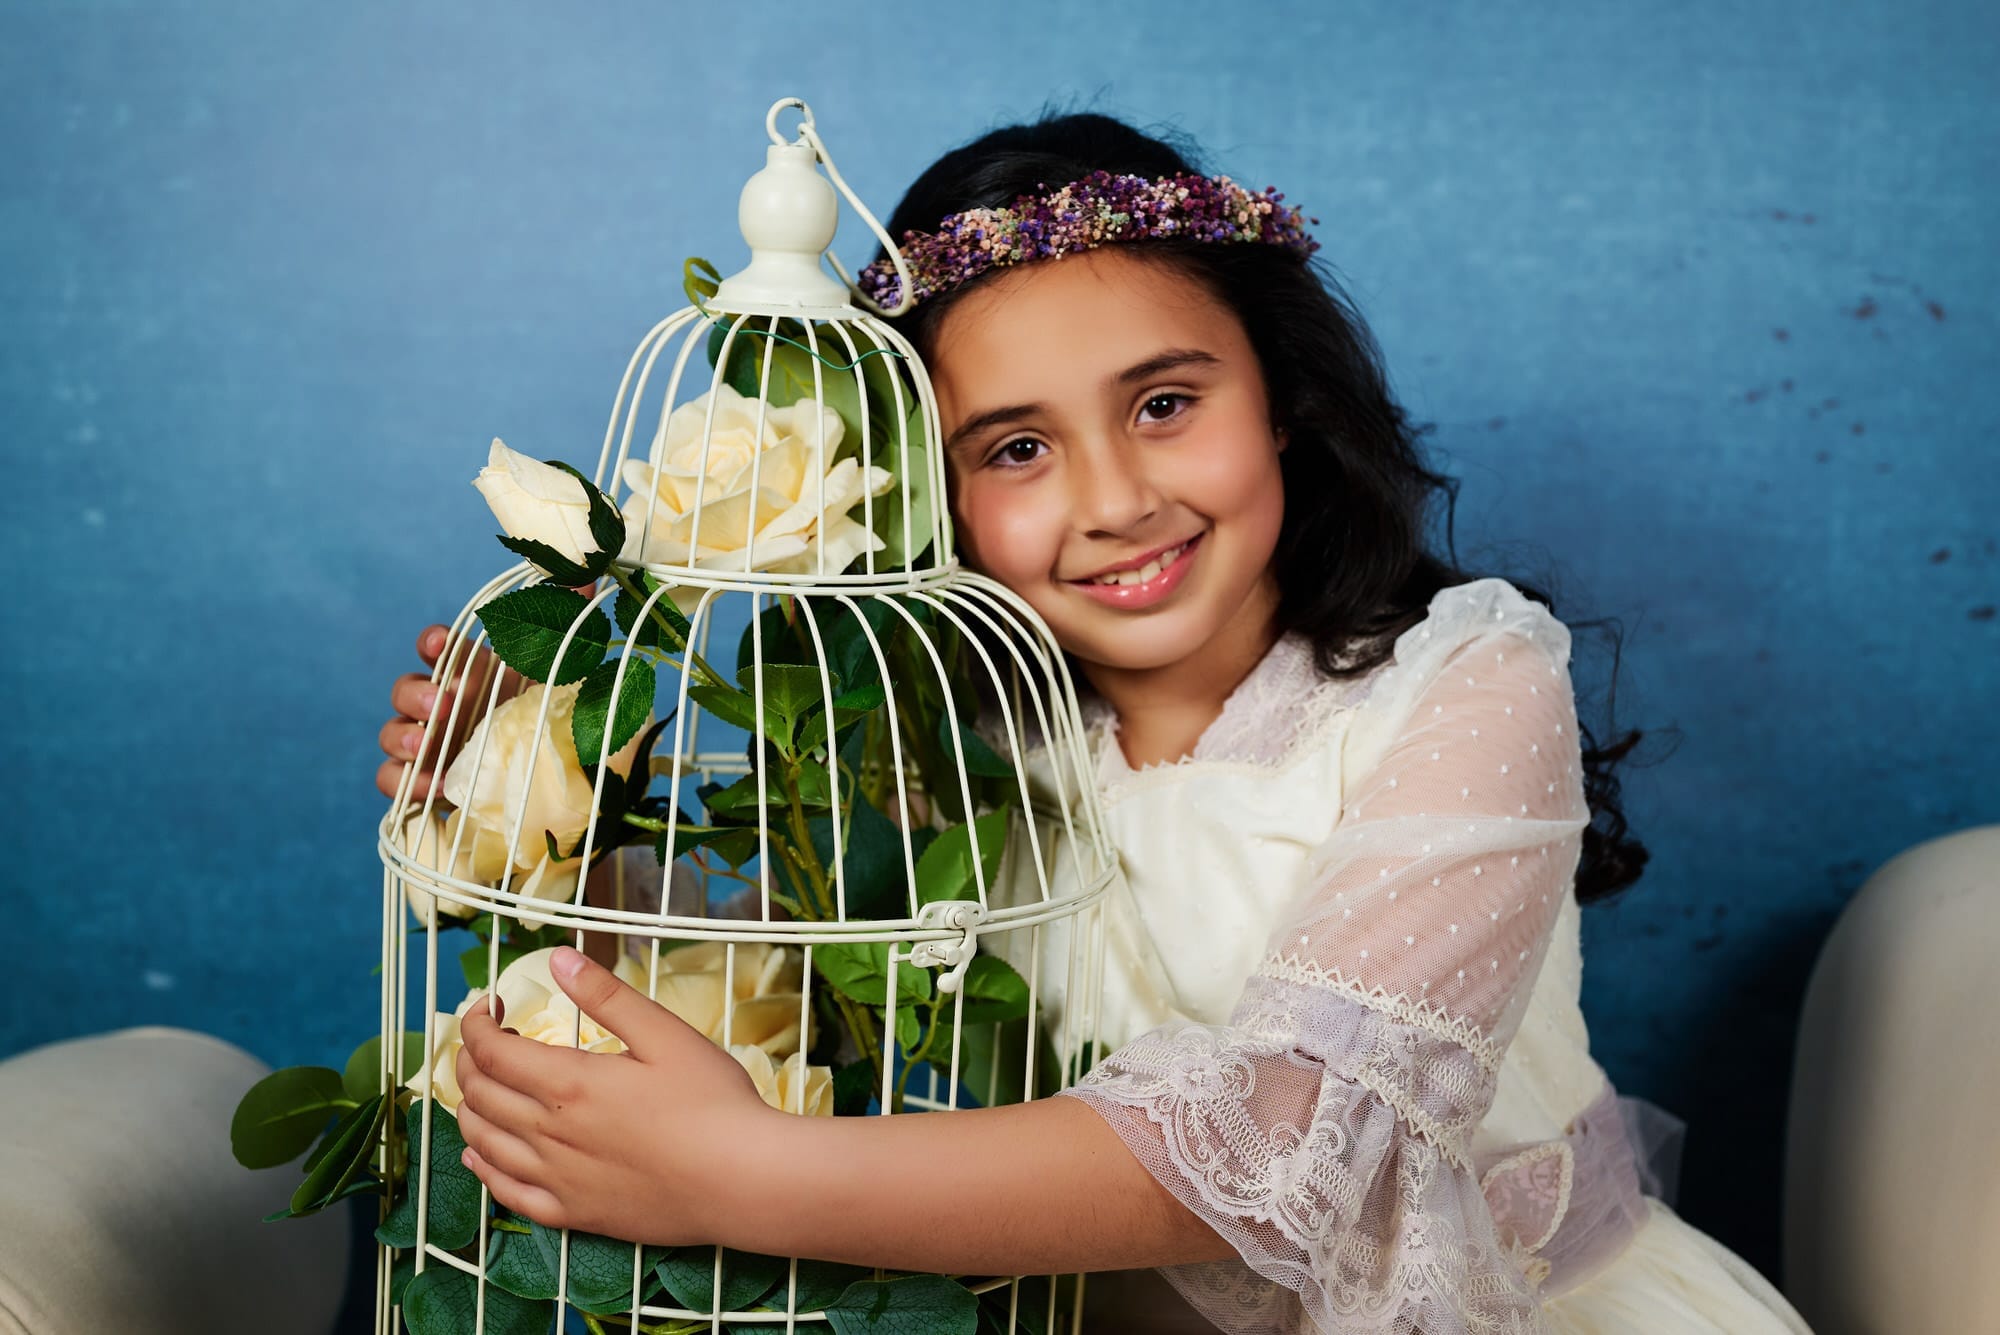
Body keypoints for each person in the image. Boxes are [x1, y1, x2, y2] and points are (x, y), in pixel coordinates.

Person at [374, 113, 1813, 1333]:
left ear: (1284, 410)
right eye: (1016, 449)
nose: (1116, 499)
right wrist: (549, 796)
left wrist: (744, 1174)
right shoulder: (958, 744)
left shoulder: (1464, 687)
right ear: (926, 504)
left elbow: (1301, 1129)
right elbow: (792, 986)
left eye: (1167, 403)